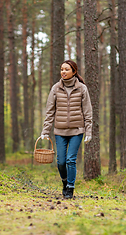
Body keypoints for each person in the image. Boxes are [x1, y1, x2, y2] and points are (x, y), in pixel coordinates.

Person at [40, 60, 92, 199]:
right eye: (62, 69)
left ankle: (70, 187)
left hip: (77, 130)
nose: (63, 71)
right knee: (61, 161)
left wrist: (88, 131)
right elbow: (50, 111)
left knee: (70, 160)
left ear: (74, 72)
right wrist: (45, 131)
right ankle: (64, 182)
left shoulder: (82, 88)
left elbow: (87, 111)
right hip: (60, 131)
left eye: (67, 69)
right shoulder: (56, 88)